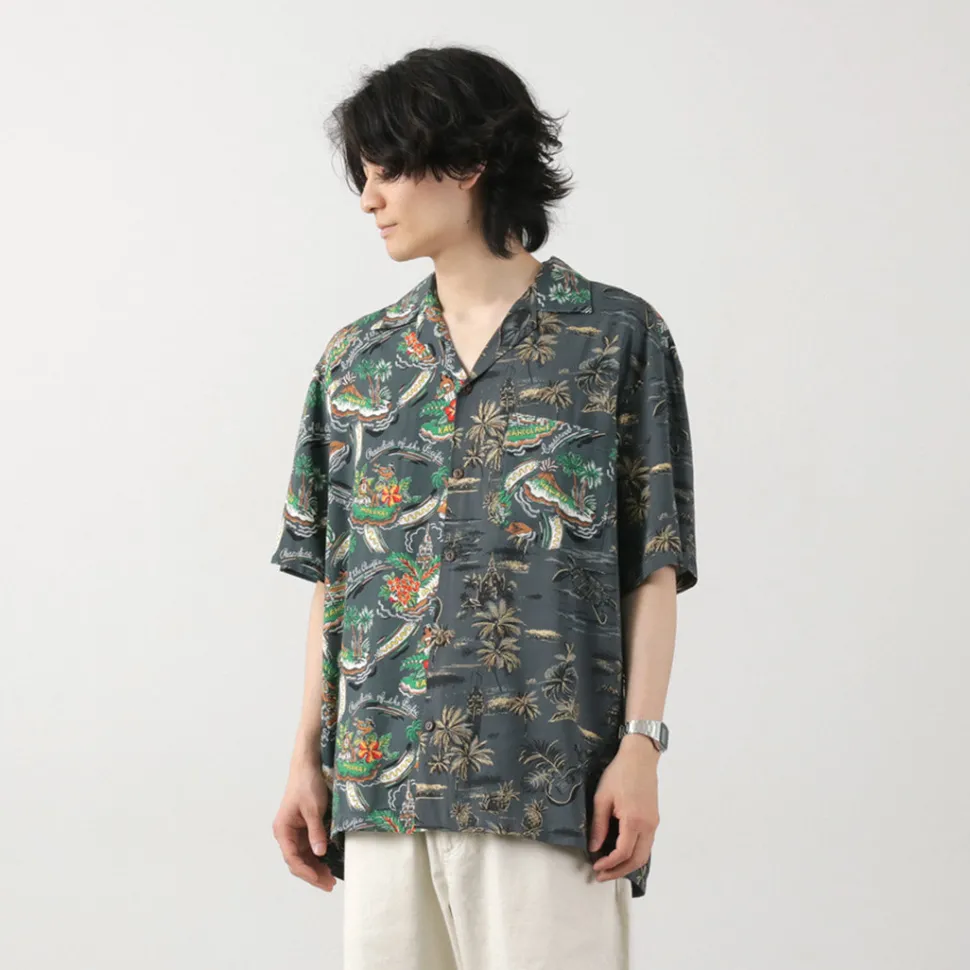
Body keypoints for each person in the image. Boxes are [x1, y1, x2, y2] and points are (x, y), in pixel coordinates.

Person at [269, 44, 698, 970]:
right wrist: (305, 755)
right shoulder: (357, 361)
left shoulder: (614, 337)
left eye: (386, 171)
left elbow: (652, 565)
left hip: (546, 783)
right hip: (379, 787)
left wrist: (642, 748)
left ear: (466, 162)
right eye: (362, 176)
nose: (368, 199)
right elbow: (336, 581)